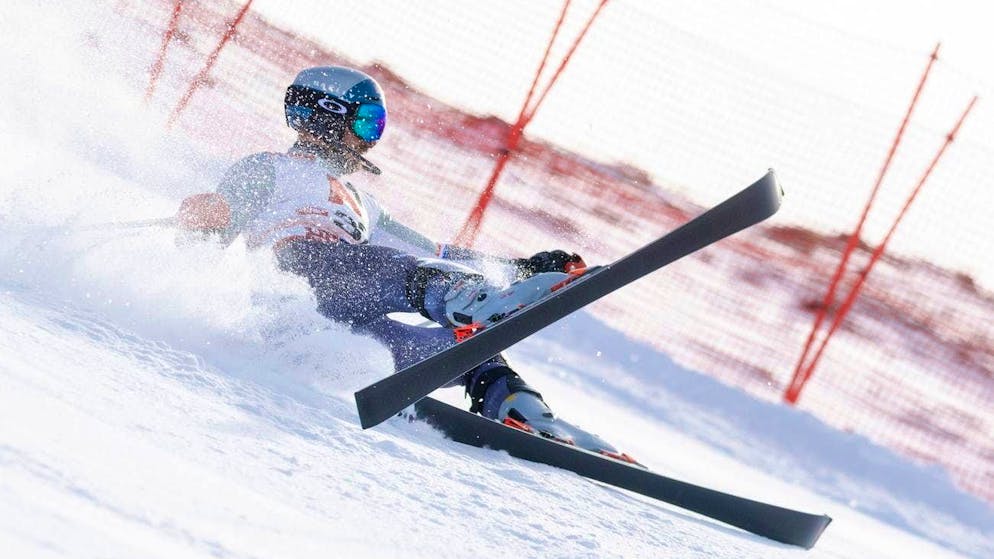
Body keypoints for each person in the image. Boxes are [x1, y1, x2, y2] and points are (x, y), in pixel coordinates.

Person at [177, 66, 632, 460]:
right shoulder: (269, 168)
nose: (371, 140)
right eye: (368, 122)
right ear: (328, 116)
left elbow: (438, 255)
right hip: (298, 291)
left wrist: (521, 267)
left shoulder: (363, 204)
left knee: (470, 348)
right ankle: (483, 303)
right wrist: (208, 216)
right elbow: (221, 215)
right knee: (389, 268)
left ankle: (517, 410)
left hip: (349, 336)